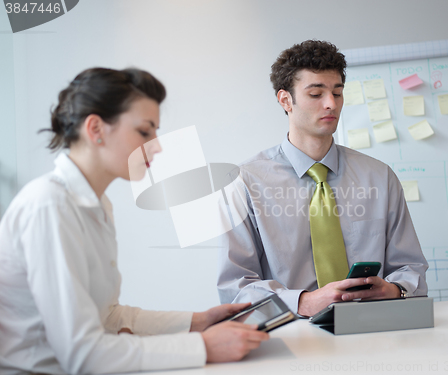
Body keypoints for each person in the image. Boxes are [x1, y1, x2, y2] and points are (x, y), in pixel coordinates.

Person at [0, 67, 269, 375]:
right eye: (145, 131)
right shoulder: (49, 205)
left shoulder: (96, 204)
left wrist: (197, 321)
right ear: (96, 129)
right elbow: (83, 354)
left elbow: (108, 317)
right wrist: (204, 347)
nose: (157, 145)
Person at [217, 40, 429, 317]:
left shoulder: (379, 177)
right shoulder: (244, 182)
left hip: (375, 328)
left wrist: (394, 289)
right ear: (285, 100)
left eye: (337, 93)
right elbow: (235, 286)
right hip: (290, 335)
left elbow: (411, 267)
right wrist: (303, 302)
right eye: (316, 94)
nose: (331, 104)